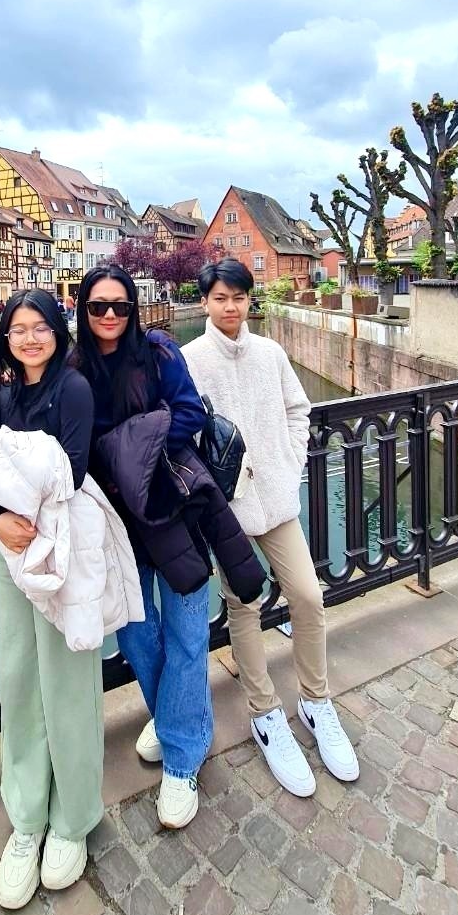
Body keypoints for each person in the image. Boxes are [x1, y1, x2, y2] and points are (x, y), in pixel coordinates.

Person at [72, 265, 264, 829]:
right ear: (83, 311)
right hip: (115, 524)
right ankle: (178, 718)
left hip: (173, 510)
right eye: (98, 307)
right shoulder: (74, 369)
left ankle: (182, 761)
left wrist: (133, 453)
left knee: (186, 630)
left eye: (120, 306)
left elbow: (188, 413)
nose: (110, 316)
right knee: (135, 631)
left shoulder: (158, 352)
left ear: (133, 309)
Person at [182, 258, 359, 794]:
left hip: (276, 500)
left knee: (308, 596)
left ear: (248, 300)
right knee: (245, 606)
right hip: (227, 509)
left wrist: (289, 460)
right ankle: (265, 712)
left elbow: (298, 410)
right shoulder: (191, 360)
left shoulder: (270, 353)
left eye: (238, 297)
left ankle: (316, 701)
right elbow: (183, 434)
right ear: (206, 301)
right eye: (220, 298)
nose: (230, 307)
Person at [0, 289, 108, 910]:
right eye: (18, 329)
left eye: (40, 327)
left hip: (60, 553)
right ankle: (26, 818)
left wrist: (17, 497)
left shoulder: (73, 389)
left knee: (68, 683)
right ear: (6, 337)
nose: (29, 338)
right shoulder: (0, 396)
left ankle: (72, 817)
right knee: (20, 678)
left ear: (57, 332)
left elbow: (71, 472)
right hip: (10, 554)